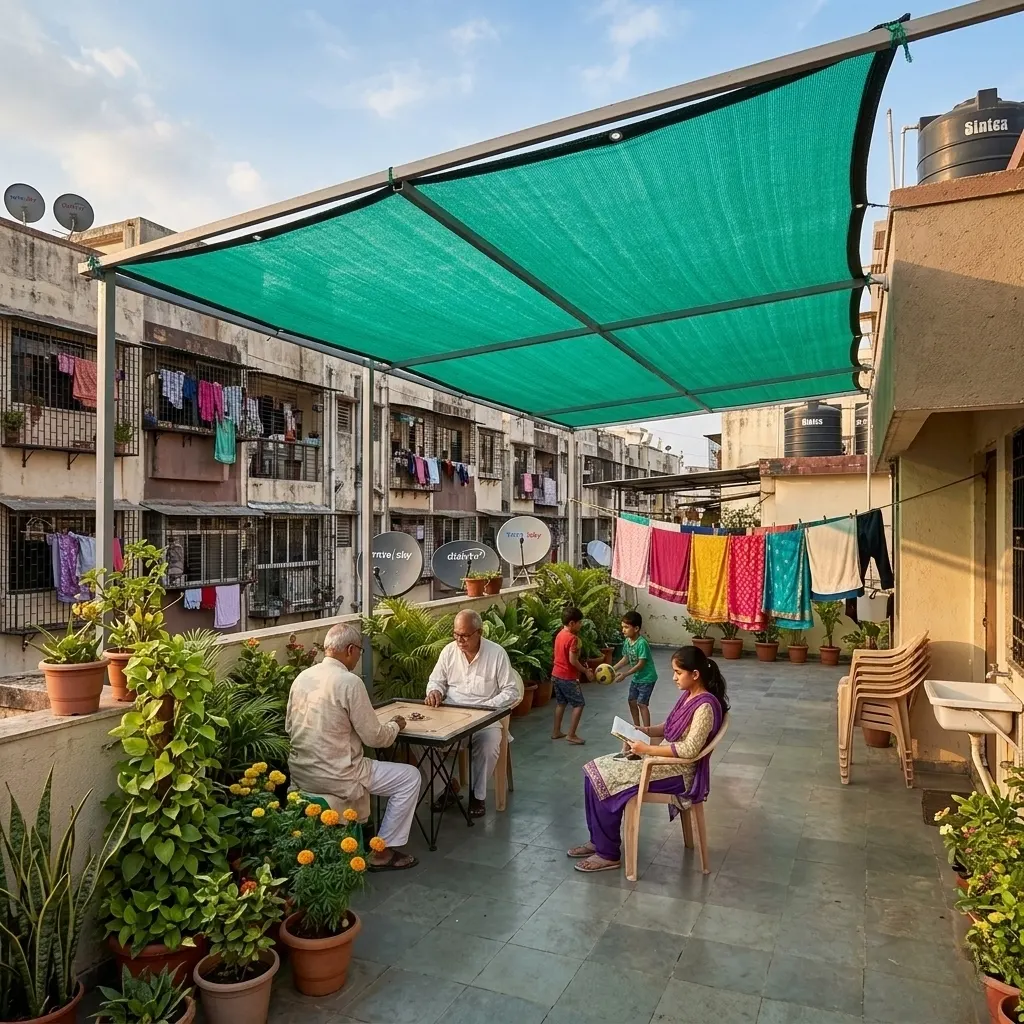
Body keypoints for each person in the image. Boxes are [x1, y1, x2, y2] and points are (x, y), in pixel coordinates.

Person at [568, 645, 727, 873]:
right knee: (592, 771)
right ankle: (598, 840)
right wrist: (641, 730)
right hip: (664, 764)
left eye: (678, 672)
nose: (673, 677)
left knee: (603, 778)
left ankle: (608, 854)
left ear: (695, 674)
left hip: (678, 773)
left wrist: (647, 749)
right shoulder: (689, 696)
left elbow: (690, 749)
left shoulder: (704, 707)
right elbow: (668, 727)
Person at [286, 622, 419, 871]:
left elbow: (289, 727)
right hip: (340, 776)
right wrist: (395, 725)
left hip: (301, 773)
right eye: (360, 651)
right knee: (410, 777)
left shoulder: (302, 678)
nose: (359, 657)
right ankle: (381, 851)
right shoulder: (349, 682)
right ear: (349, 649)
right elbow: (375, 738)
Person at [425, 609, 520, 818]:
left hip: (486, 717)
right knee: (420, 741)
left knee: (489, 743)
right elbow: (436, 680)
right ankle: (446, 786)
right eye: (456, 634)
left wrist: (486, 708)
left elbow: (511, 691)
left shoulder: (496, 654)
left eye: (465, 635)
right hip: (452, 716)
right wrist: (434, 691)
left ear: (480, 632)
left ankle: (478, 796)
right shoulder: (449, 652)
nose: (459, 640)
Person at [612, 610, 658, 759]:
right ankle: (636, 727)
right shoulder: (627, 642)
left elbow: (641, 663)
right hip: (637, 678)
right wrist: (612, 669)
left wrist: (625, 674)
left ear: (636, 628)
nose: (623, 630)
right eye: (623, 627)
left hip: (647, 677)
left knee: (642, 704)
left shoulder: (642, 643)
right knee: (631, 701)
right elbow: (625, 658)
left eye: (626, 627)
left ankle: (646, 730)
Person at [551, 606, 593, 745]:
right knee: (579, 704)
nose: (581, 625)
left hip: (556, 675)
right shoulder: (573, 639)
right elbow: (572, 660)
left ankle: (556, 731)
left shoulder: (560, 634)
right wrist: (585, 671)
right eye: (579, 622)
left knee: (561, 703)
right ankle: (571, 734)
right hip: (567, 677)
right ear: (571, 623)